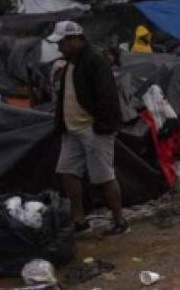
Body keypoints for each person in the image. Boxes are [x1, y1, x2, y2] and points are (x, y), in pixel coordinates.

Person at [46, 21, 128, 236]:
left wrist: (102, 126)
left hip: (94, 128)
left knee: (103, 176)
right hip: (72, 129)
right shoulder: (69, 63)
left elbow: (107, 97)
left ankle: (120, 221)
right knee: (66, 172)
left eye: (62, 42)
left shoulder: (95, 61)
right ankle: (79, 220)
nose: (59, 47)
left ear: (74, 39)